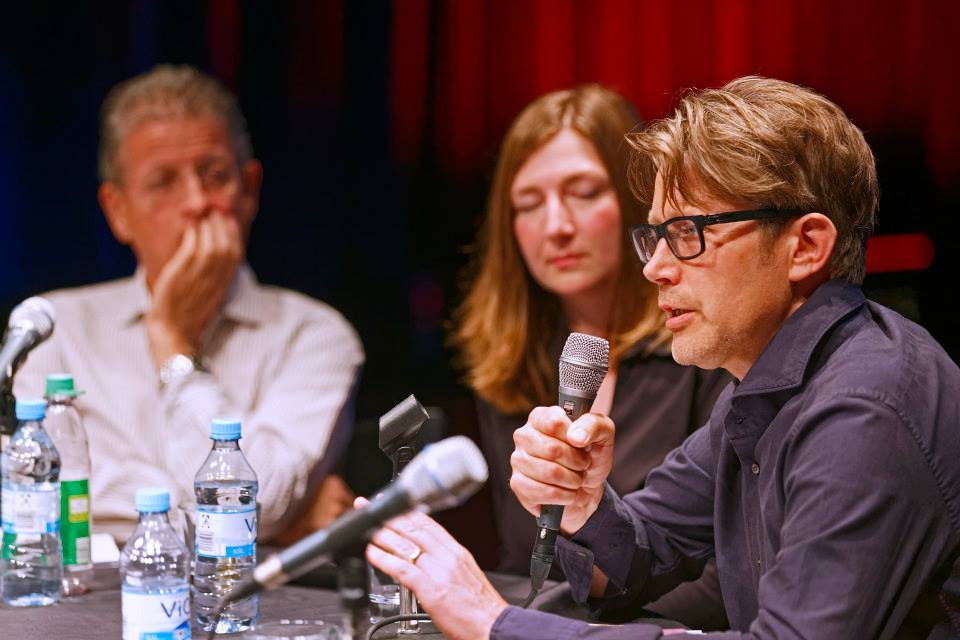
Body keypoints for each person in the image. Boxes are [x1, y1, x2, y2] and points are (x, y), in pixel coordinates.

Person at [365, 76, 960, 639]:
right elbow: (640, 552)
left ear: (804, 246)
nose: (655, 267)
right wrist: (580, 502)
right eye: (655, 235)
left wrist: (496, 623)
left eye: (689, 233)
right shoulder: (763, 385)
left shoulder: (863, 407)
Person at [14, 65, 363, 543]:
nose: (198, 202)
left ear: (250, 192)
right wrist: (265, 523)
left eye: (215, 175)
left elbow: (258, 504)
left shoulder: (314, 334)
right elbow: (22, 498)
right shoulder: (55, 328)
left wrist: (172, 341)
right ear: (118, 211)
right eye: (164, 182)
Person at [450, 85, 730, 626]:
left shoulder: (705, 344)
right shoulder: (511, 357)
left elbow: (726, 577)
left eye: (583, 192)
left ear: (635, 202)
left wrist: (556, 632)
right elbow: (525, 557)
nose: (556, 225)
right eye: (529, 203)